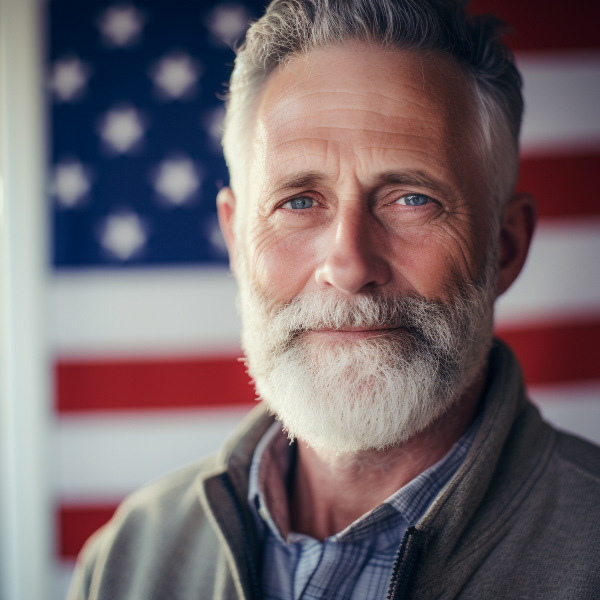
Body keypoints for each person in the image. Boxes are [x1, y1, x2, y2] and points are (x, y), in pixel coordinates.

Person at [67, 1, 600, 598]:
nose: (348, 266)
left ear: (504, 247)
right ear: (237, 242)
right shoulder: (132, 558)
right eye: (298, 201)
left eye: (411, 198)